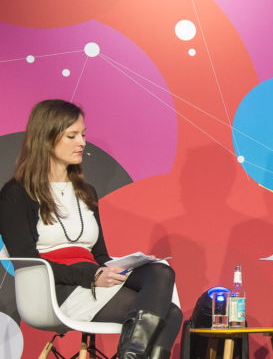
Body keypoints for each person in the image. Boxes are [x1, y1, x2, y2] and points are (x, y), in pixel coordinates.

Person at [0, 100, 182, 359]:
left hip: (93, 277)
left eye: (83, 135)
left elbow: (100, 256)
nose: (82, 142)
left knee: (160, 270)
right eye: (72, 136)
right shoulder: (17, 193)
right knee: (170, 314)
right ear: (46, 138)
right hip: (57, 288)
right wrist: (91, 276)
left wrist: (124, 266)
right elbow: (25, 260)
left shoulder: (86, 193)